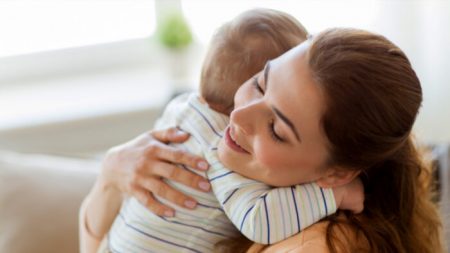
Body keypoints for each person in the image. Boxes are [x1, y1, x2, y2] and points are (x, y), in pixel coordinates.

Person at [80, 20, 446, 253]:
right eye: (258, 83)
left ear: (335, 175)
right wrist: (111, 177)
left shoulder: (318, 244)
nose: (236, 116)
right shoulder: (213, 155)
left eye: (276, 129)